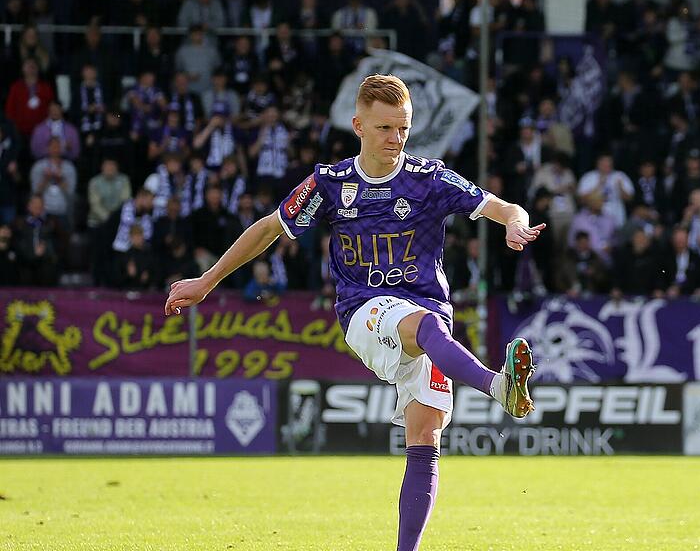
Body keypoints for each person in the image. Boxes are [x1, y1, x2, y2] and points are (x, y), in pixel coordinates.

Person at [164, 75, 542, 551]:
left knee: (425, 434)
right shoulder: (331, 183)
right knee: (420, 325)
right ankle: (497, 386)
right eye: (385, 128)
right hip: (365, 311)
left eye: (403, 128)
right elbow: (267, 230)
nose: (396, 139)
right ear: (358, 126)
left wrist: (516, 225)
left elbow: (505, 207)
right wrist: (207, 281)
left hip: (431, 316)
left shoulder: (430, 179)